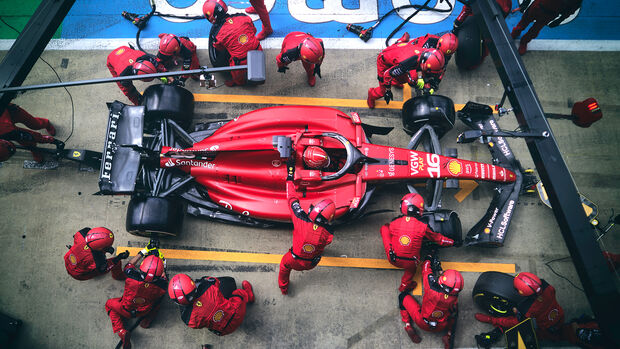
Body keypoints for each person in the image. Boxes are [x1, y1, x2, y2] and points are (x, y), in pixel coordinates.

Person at [278, 157, 335, 295]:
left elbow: (291, 198)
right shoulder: (328, 233)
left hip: (294, 260)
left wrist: (290, 175)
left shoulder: (301, 218)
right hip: (312, 264)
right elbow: (327, 240)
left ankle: (283, 289)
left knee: (284, 267)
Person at [380, 193, 455, 292]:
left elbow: (391, 231)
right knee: (411, 269)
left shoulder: (394, 224)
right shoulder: (422, 227)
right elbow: (438, 239)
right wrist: (452, 242)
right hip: (412, 263)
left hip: (393, 259)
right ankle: (404, 284)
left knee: (384, 228)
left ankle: (391, 251)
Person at [474, 272, 565, 346]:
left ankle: (555, 337)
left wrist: (493, 319)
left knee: (531, 333)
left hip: (546, 326)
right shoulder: (547, 286)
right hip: (560, 314)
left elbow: (515, 322)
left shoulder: (527, 309)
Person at [105, 251, 167, 349]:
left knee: (109, 304)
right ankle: (147, 321)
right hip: (144, 311)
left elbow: (130, 264)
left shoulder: (131, 277)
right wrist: (163, 262)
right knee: (158, 301)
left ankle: (121, 331)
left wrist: (142, 253)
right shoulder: (162, 287)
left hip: (125, 308)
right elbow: (164, 276)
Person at [399, 255, 463, 347]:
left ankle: (408, 325)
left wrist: (428, 259)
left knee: (402, 296)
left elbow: (426, 270)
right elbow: (448, 290)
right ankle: (449, 334)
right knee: (455, 311)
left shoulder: (431, 289)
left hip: (422, 322)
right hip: (440, 326)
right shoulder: (454, 297)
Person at [168, 273, 255, 335]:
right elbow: (216, 280)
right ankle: (250, 296)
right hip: (236, 315)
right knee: (239, 292)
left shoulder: (188, 319)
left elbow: (198, 325)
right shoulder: (208, 286)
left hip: (223, 331)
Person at [367, 40, 445, 108]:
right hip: (384, 62)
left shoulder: (425, 52)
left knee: (400, 78)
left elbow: (419, 65)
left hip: (397, 53)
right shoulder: (405, 65)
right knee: (383, 90)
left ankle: (395, 82)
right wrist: (388, 90)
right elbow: (387, 74)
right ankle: (371, 95)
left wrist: (420, 77)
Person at [203, 0, 261, 87]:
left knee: (237, 75)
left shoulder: (217, 33)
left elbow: (219, 48)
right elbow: (254, 30)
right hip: (257, 50)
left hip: (240, 61)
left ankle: (239, 82)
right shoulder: (243, 16)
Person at [511, 0, 582, 55]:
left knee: (535, 30)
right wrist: (525, 4)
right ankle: (515, 33)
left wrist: (559, 20)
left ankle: (524, 41)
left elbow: (571, 9)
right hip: (538, 6)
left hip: (550, 14)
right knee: (524, 22)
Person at [64, 227, 129, 281]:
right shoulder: (98, 261)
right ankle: (118, 276)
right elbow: (105, 269)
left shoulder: (82, 233)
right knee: (117, 263)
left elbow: (75, 236)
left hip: (68, 259)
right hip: (79, 274)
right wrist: (119, 257)